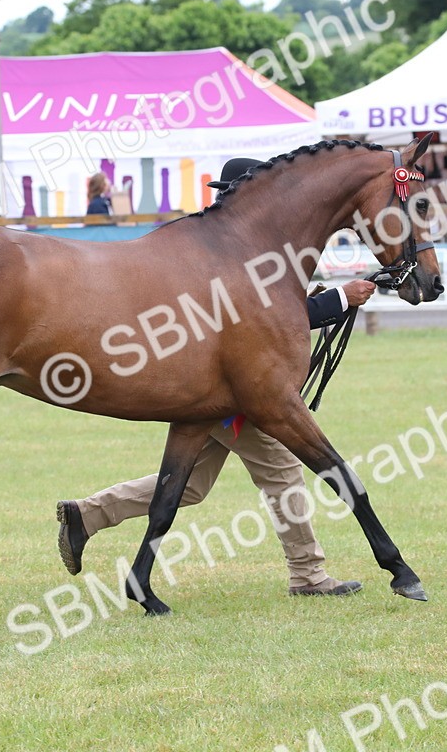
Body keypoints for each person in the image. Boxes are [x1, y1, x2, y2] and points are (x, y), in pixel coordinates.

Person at [57, 158, 378, 597]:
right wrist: (340, 298)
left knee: (191, 485)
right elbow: (257, 326)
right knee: (283, 470)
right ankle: (308, 575)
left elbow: (268, 320)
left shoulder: (229, 248)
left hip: (216, 388)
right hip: (231, 393)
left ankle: (88, 514)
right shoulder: (229, 252)